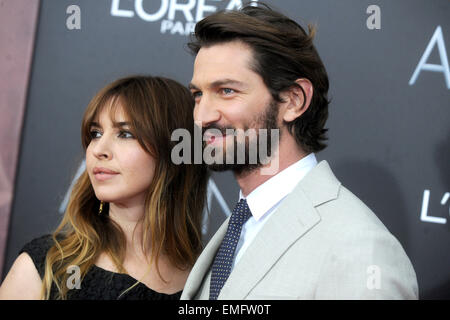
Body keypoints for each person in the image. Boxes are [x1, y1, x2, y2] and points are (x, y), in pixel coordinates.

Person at [181, 4, 418, 299]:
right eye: (198, 95)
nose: (202, 117)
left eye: (227, 91)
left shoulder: (359, 247)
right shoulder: (239, 225)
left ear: (293, 100)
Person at [0, 75, 208, 300]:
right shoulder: (49, 266)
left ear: (174, 150)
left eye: (125, 134)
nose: (99, 149)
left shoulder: (211, 281)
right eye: (95, 134)